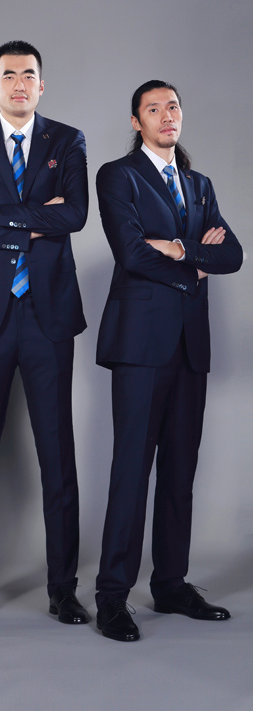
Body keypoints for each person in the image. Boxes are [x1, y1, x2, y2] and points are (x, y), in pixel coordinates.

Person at [0, 40, 89, 626]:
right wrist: (32, 221)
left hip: (48, 315)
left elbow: (74, 215)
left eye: (29, 74)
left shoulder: (68, 140)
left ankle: (63, 589)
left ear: (41, 85)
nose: (20, 83)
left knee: (58, 456)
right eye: (9, 75)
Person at [94, 79, 243, 641]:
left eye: (173, 106)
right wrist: (195, 265)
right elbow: (132, 254)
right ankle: (112, 596)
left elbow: (233, 253)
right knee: (132, 471)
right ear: (137, 122)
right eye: (153, 109)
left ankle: (171, 585)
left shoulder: (199, 185)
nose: (166, 116)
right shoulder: (119, 176)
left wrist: (179, 249)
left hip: (189, 346)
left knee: (180, 472)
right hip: (140, 345)